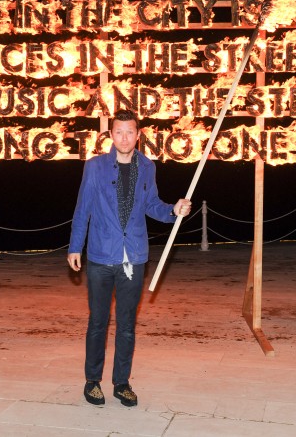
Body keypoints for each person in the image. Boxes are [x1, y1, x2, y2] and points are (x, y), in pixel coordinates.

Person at [67, 109, 191, 407]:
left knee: (126, 325)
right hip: (100, 255)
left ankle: (121, 382)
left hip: (134, 257)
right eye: (118, 132)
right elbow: (83, 207)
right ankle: (92, 381)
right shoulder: (94, 167)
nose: (124, 137)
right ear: (111, 135)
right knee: (98, 322)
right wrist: (75, 246)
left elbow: (152, 205)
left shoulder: (147, 167)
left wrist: (173, 210)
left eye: (130, 132)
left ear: (138, 134)